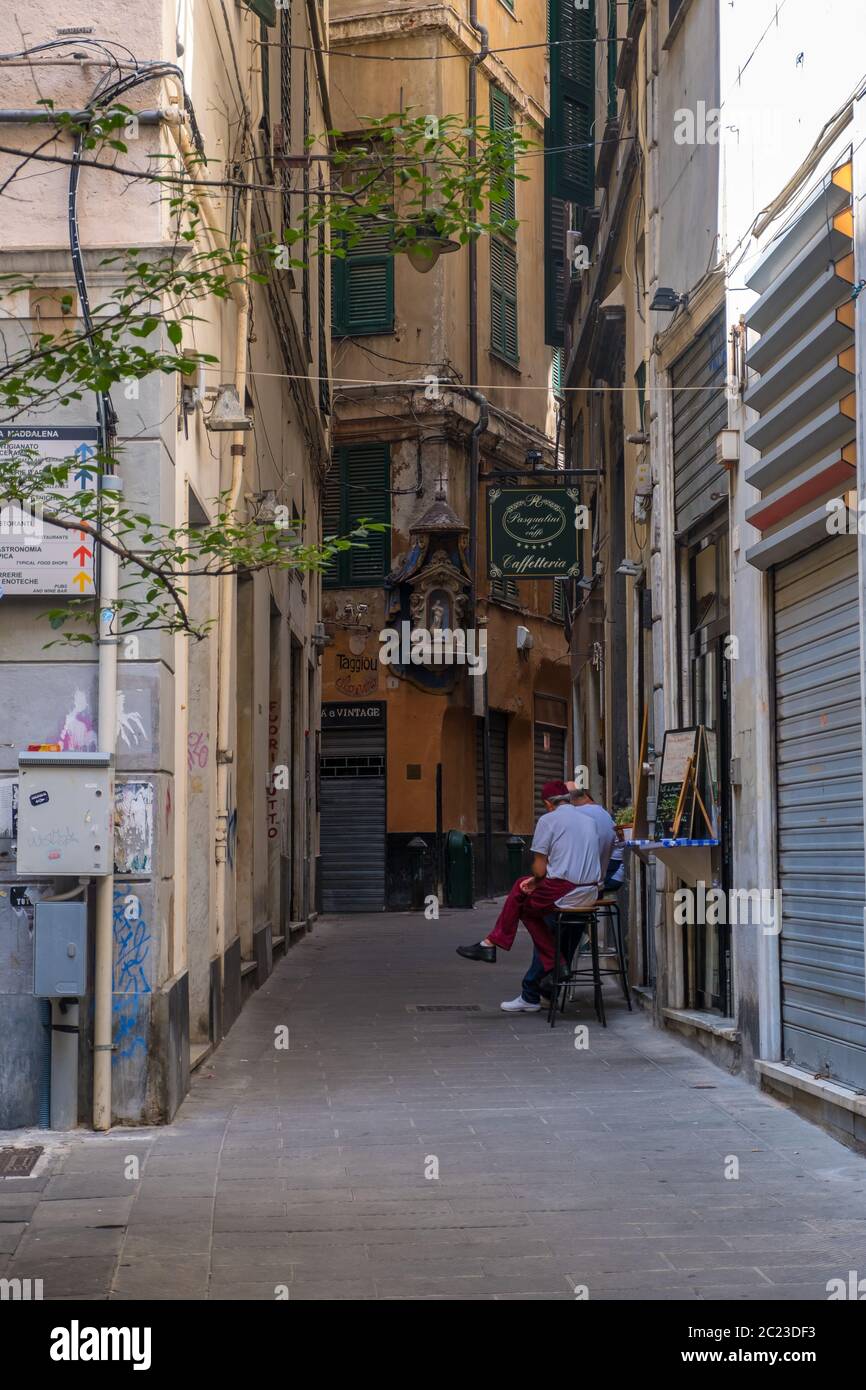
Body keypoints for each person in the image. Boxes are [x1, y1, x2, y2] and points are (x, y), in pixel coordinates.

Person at [456, 780, 602, 1013]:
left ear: (547, 804)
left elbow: (539, 868)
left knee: (521, 901)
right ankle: (494, 945)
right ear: (568, 798)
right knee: (522, 896)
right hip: (591, 891)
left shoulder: (548, 820)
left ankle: (497, 945)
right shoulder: (589, 820)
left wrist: (534, 881)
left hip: (566, 890)